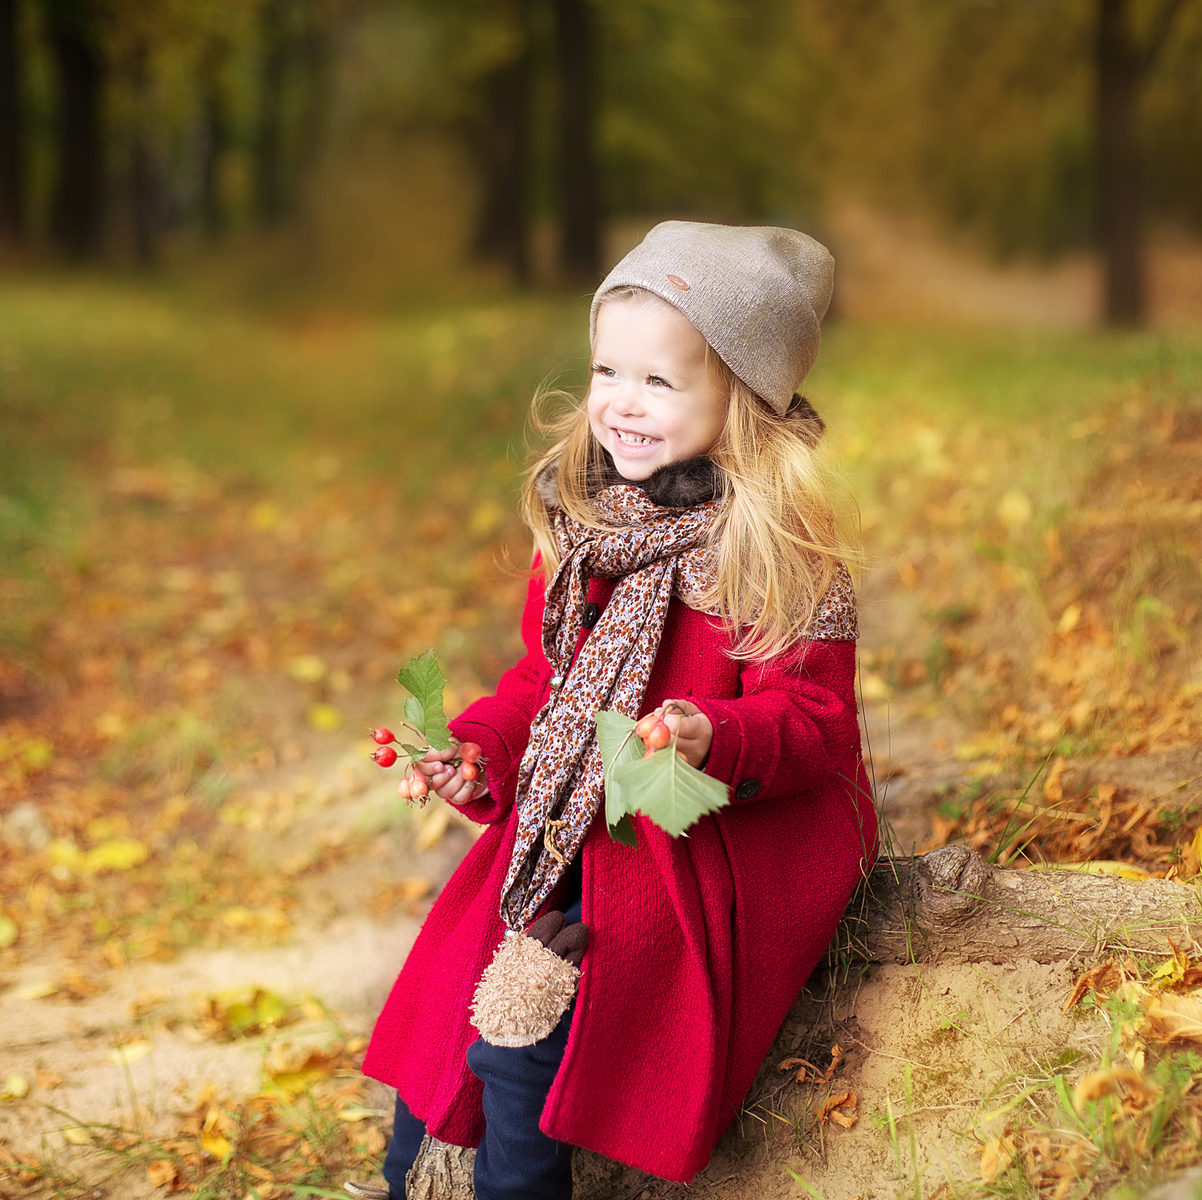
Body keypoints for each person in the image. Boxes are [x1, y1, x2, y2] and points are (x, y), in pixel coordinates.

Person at [352, 221, 876, 1200]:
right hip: (584, 807)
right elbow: (545, 683)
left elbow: (818, 721)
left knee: (535, 1034)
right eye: (607, 371)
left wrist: (713, 734)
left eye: (660, 381)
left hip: (710, 827)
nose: (622, 404)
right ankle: (408, 1180)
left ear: (741, 401)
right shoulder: (590, 525)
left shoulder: (772, 548)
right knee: (454, 987)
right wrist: (480, 749)